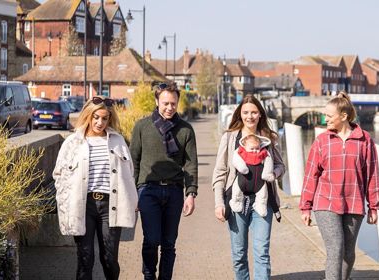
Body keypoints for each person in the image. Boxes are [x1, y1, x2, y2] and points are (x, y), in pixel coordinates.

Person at [53, 96, 138, 280]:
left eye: (105, 118)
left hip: (110, 206)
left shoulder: (118, 141)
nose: (100, 122)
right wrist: (64, 202)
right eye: (96, 117)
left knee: (109, 259)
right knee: (85, 258)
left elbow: (129, 174)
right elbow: (59, 175)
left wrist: (133, 201)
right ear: (88, 116)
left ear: (109, 119)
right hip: (84, 206)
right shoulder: (73, 143)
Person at [300, 92, 379, 280]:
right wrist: (306, 206)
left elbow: (372, 175)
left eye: (329, 116)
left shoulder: (365, 140)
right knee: (335, 248)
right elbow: (311, 175)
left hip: (353, 203)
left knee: (348, 253)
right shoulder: (322, 141)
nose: (325, 119)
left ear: (343, 116)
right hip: (325, 202)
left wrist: (374, 206)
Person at [130, 82, 198, 280]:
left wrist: (191, 194)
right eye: (165, 103)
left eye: (173, 104)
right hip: (147, 190)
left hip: (174, 192)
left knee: (169, 243)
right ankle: (149, 275)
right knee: (151, 240)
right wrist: (133, 193)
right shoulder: (142, 127)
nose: (170, 108)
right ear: (156, 101)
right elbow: (133, 161)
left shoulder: (185, 130)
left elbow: (191, 164)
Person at [212, 94, 285, 280]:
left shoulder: (268, 138)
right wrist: (218, 203)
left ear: (260, 114)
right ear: (240, 114)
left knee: (261, 252)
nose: (250, 117)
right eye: (245, 112)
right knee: (239, 254)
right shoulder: (230, 138)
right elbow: (220, 172)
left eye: (254, 112)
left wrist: (273, 174)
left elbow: (280, 165)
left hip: (263, 201)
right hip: (236, 201)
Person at [230, 134, 275, 217]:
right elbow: (236, 159)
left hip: (259, 183)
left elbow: (269, 162)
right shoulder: (240, 151)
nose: (255, 151)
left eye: (257, 148)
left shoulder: (263, 153)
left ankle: (260, 206)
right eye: (252, 148)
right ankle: (236, 203)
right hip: (242, 181)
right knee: (236, 191)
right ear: (245, 146)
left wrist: (268, 174)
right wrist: (241, 167)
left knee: (263, 195)